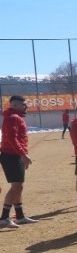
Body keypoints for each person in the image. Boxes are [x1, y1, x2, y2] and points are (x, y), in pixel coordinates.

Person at [0, 95, 37, 228]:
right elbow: (12, 139)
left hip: (13, 155)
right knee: (16, 186)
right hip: (11, 156)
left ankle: (20, 216)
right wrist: (23, 155)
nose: (25, 106)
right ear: (15, 105)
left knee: (19, 186)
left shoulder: (15, 117)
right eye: (23, 104)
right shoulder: (13, 118)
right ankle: (4, 218)